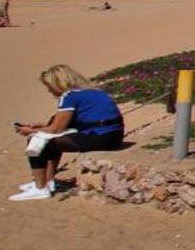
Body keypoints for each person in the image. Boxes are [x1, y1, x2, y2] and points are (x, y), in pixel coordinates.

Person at [13, 65, 123, 201]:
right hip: (114, 136)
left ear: (58, 83)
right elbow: (68, 121)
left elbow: (56, 129)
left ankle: (40, 188)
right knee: (53, 139)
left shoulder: (69, 96)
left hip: (101, 137)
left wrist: (31, 131)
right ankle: (49, 182)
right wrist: (42, 125)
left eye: (49, 86)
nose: (49, 90)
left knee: (37, 140)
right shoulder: (94, 92)